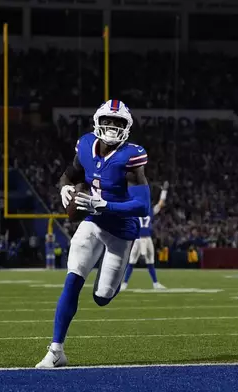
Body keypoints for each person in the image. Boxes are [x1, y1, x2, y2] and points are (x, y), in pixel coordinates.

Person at [35, 99, 151, 368]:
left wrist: (105, 204)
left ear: (127, 127)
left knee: (101, 298)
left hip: (121, 231)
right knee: (73, 279)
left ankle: (110, 284)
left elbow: (143, 205)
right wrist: (64, 188)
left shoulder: (131, 157)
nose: (112, 127)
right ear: (98, 122)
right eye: (108, 121)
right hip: (92, 223)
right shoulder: (86, 144)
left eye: (118, 123)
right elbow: (69, 175)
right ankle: (56, 350)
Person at [121, 181, 169, 290]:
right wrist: (164, 191)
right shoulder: (147, 211)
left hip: (143, 238)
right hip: (140, 239)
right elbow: (160, 204)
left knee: (148, 260)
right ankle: (125, 283)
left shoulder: (136, 210)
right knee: (134, 260)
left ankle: (155, 283)